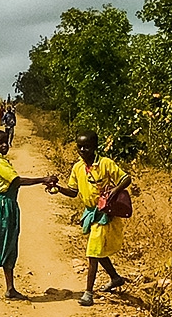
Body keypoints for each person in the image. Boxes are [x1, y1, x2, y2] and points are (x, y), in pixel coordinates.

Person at [48, 131, 130, 306]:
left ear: (95, 147)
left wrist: (113, 192)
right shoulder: (78, 168)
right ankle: (115, 278)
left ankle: (88, 293)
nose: (83, 150)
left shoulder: (105, 163)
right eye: (80, 147)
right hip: (91, 213)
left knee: (92, 252)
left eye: (87, 147)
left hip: (105, 214)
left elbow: (126, 178)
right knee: (98, 251)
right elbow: (73, 192)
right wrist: (58, 189)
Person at [0, 130, 55, 300]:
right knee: (2, 246)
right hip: (2, 208)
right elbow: (16, 181)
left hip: (5, 207)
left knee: (9, 246)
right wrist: (43, 179)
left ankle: (10, 288)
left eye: (6, 142)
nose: (5, 145)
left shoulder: (1, 162)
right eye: (0, 142)